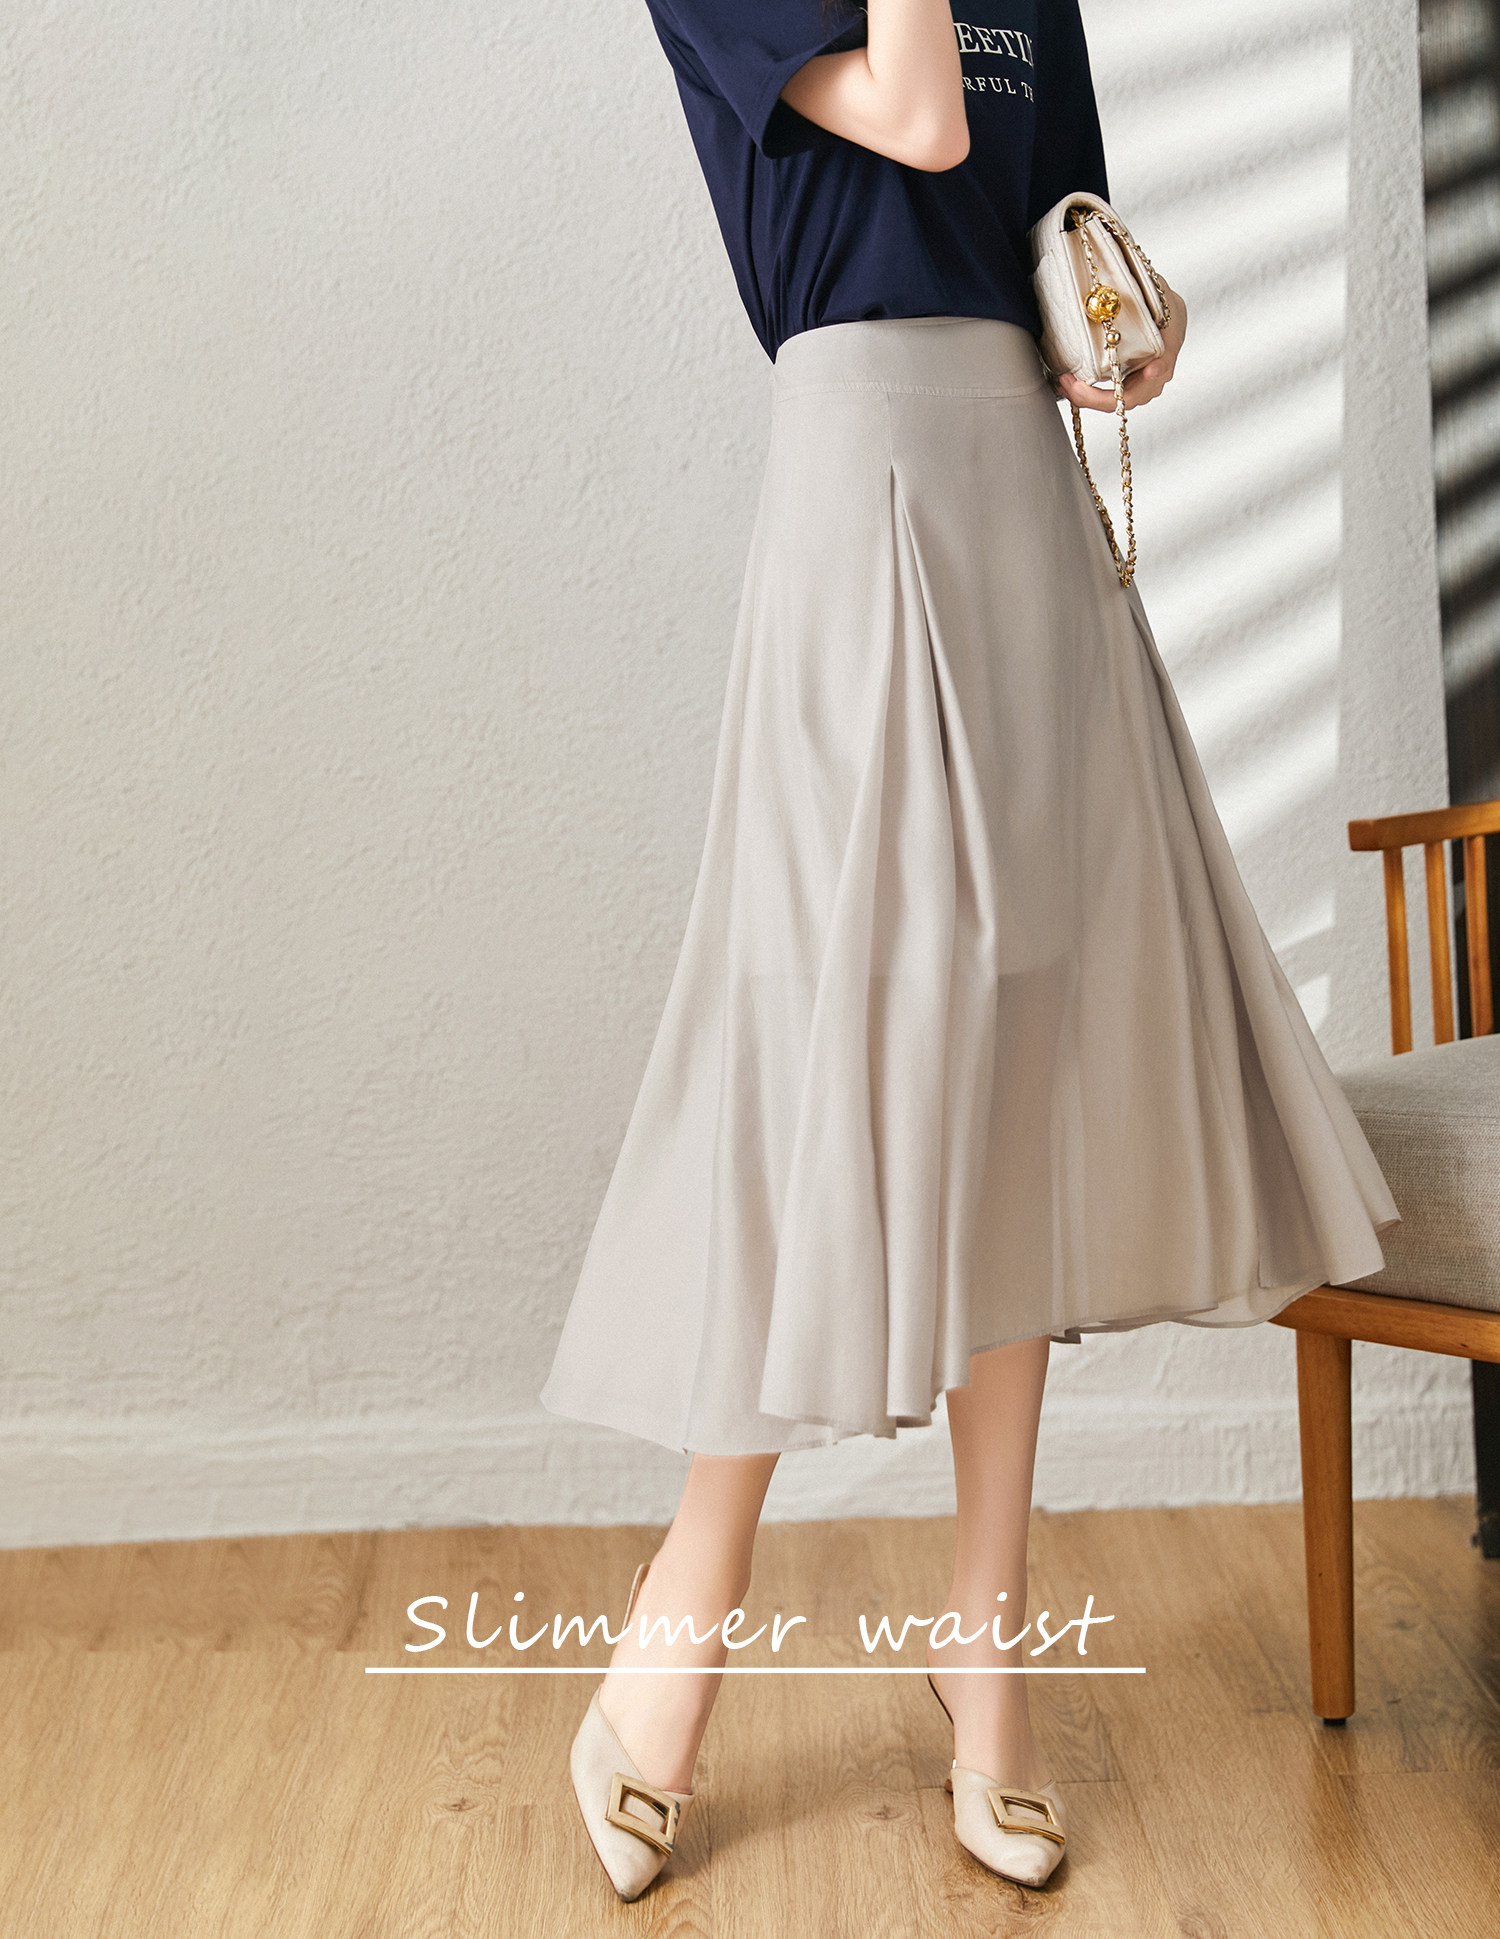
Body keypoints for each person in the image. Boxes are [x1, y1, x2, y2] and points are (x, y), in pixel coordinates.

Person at [540, 0, 1399, 1902]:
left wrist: (1124, 321)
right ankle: (688, 1611)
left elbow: (1047, 216)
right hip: (858, 483)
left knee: (1024, 1051)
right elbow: (922, 119)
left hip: (1022, 496)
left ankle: (984, 1643)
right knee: (821, 1045)